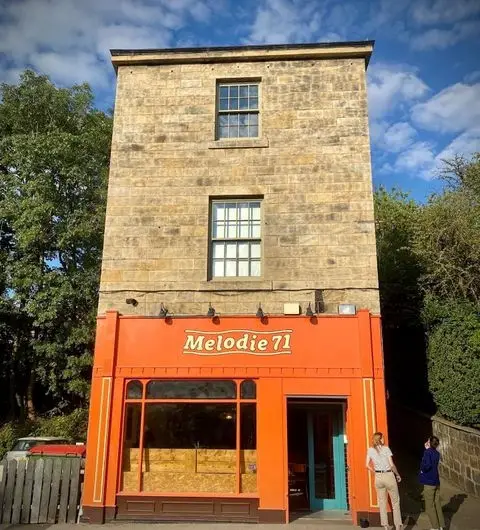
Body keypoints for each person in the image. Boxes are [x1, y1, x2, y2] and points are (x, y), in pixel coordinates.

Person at [366, 432, 403, 530]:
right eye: (383, 438)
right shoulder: (386, 449)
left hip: (378, 477)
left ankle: (386, 527)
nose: (384, 440)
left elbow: (367, 465)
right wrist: (398, 475)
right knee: (395, 502)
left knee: (382, 503)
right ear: (380, 439)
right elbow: (391, 464)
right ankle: (398, 526)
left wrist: (375, 472)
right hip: (388, 475)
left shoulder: (370, 450)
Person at [419, 436, 445, 530]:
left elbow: (427, 465)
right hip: (436, 481)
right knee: (437, 503)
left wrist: (422, 469)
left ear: (430, 443)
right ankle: (441, 525)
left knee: (429, 506)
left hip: (429, 482)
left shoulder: (427, 452)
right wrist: (429, 448)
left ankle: (435, 527)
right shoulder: (437, 453)